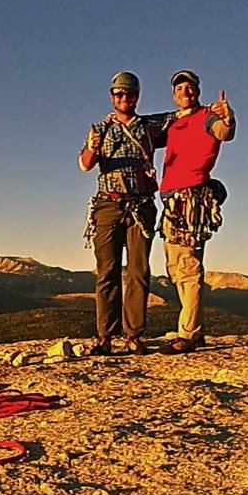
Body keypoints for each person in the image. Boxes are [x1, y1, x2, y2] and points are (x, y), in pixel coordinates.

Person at [79, 71, 171, 356]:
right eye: (119, 94)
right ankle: (105, 336)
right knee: (107, 271)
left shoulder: (151, 126)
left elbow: (183, 117)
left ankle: (133, 334)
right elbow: (84, 164)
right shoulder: (101, 129)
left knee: (138, 270)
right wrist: (94, 146)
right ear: (112, 97)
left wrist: (212, 114)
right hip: (108, 204)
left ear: (137, 97)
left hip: (141, 204)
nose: (125, 99)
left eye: (129, 94)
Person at [158, 70, 236, 354]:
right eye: (180, 88)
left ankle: (189, 334)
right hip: (171, 201)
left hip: (191, 199)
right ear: (174, 94)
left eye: (190, 87)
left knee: (188, 267)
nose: (185, 92)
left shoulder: (208, 116)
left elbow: (225, 133)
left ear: (198, 91)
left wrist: (229, 117)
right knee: (175, 269)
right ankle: (194, 330)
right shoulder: (174, 121)